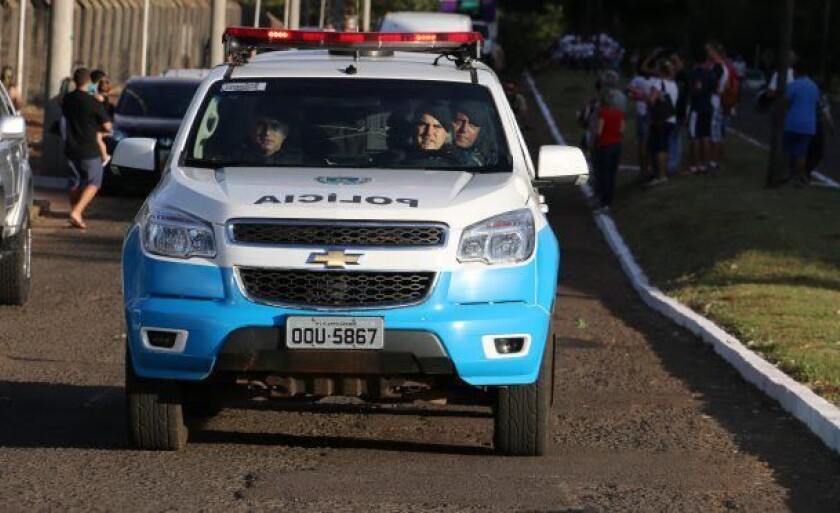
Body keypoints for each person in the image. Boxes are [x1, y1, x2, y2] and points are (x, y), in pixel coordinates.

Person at [61, 67, 112, 229]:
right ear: (89, 82)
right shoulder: (92, 102)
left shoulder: (67, 99)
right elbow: (107, 125)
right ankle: (77, 211)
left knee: (74, 182)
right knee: (95, 181)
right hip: (88, 148)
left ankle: (75, 212)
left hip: (70, 146)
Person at [783, 61, 820, 186]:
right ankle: (799, 177)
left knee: (787, 151)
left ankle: (787, 174)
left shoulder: (793, 85)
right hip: (808, 124)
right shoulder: (814, 86)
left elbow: (786, 101)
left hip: (793, 122)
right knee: (801, 153)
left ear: (795, 72)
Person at [646, 59, 679, 186]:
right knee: (664, 146)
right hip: (670, 118)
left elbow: (652, 100)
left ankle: (660, 175)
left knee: (658, 147)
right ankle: (662, 173)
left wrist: (646, 99)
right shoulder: (674, 84)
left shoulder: (658, 83)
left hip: (659, 119)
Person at [593, 88, 625, 212]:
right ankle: (609, 203)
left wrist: (596, 142)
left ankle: (603, 202)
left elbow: (599, 131)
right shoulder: (619, 113)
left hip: (605, 146)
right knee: (612, 175)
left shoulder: (603, 113)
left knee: (603, 175)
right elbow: (622, 130)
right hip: (617, 145)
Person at [235, 111, 302, 165]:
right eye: (261, 125)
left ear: (285, 133)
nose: (267, 132)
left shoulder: (299, 161)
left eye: (275, 127)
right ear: (251, 130)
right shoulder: (234, 158)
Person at [687, 53, 715, 173]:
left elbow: (697, 89)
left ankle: (696, 164)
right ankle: (706, 163)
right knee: (705, 135)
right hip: (708, 107)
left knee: (695, 136)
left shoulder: (697, 73)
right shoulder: (712, 74)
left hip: (698, 107)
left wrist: (691, 92)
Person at [450, 101, 498, 167]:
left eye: (472, 125)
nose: (464, 129)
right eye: (459, 122)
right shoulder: (436, 151)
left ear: (480, 131)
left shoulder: (491, 162)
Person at [706, 42, 729, 171]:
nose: (708, 54)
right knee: (715, 133)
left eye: (709, 51)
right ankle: (715, 159)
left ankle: (713, 160)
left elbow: (716, 87)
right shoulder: (722, 67)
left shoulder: (718, 68)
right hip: (716, 101)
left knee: (713, 133)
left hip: (713, 102)